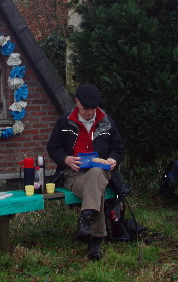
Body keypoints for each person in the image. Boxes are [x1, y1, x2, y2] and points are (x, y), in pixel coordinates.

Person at [47, 83, 124, 261]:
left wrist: (113, 159)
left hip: (102, 171)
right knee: (95, 191)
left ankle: (86, 221)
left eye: (93, 108)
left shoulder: (106, 121)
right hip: (74, 174)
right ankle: (95, 241)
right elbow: (53, 148)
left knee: (96, 174)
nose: (90, 112)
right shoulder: (64, 121)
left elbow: (118, 149)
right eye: (86, 108)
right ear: (77, 103)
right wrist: (66, 159)